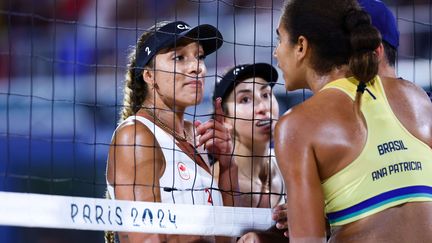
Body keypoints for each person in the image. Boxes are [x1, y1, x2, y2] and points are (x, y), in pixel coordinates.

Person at [273, 0, 432, 242]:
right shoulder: (415, 96)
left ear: (301, 46)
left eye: (280, 39)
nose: (276, 52)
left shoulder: (295, 125)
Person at [105, 20, 239, 243]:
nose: (197, 67)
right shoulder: (136, 136)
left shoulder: (198, 136)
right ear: (149, 76)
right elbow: (145, 238)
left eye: (200, 56)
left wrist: (227, 165)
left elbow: (227, 236)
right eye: (179, 57)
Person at [212, 63, 286, 209]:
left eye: (266, 95)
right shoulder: (213, 181)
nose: (263, 108)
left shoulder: (288, 166)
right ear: (224, 118)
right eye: (245, 99)